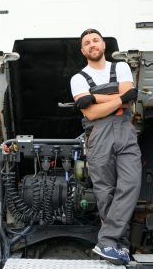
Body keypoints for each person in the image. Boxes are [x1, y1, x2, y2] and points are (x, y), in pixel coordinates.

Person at [70, 28, 142, 265]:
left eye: (95, 40)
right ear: (83, 50)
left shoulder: (119, 67)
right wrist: (119, 98)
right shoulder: (78, 78)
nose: (92, 44)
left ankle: (107, 241)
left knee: (130, 183)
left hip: (124, 129)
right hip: (98, 133)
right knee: (105, 192)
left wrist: (95, 96)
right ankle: (118, 248)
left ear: (103, 45)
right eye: (87, 42)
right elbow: (90, 112)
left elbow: (130, 95)